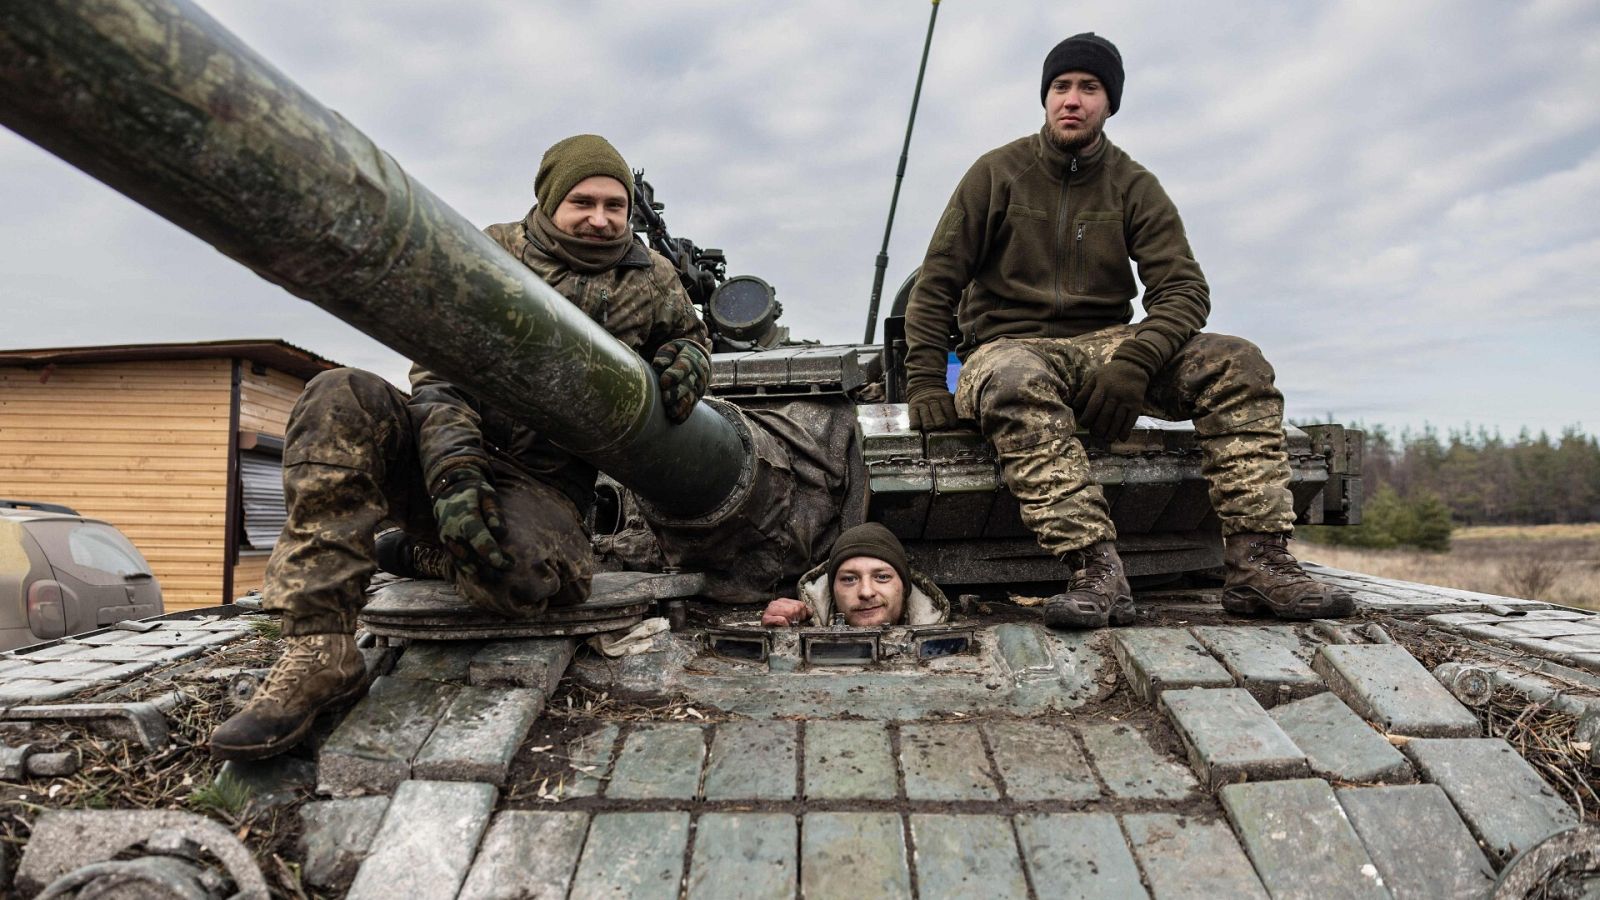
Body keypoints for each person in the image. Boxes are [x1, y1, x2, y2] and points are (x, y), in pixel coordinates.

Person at [211, 135, 711, 760]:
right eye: (583, 201)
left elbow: (691, 335)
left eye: (616, 205)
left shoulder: (654, 278)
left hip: (546, 481)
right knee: (339, 394)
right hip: (445, 439)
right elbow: (441, 372)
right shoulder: (491, 251)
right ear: (550, 198)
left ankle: (426, 553)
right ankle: (319, 647)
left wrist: (688, 355)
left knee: (529, 580)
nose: (600, 219)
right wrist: (452, 471)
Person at [901, 33, 1351, 630]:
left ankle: (1258, 563)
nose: (1072, 99)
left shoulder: (1133, 185)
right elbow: (937, 285)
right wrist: (926, 384)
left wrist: (1135, 361)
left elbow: (1185, 290)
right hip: (1006, 344)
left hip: (1107, 341)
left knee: (1238, 361)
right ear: (1045, 97)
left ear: (1108, 104)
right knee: (1013, 376)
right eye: (1061, 86)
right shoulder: (996, 174)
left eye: (1089, 88)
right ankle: (1096, 568)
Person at [762, 523, 949, 627]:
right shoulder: (801, 628)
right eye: (849, 579)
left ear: (905, 588)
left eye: (882, 577)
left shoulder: (947, 639)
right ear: (832, 592)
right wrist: (780, 633)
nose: (866, 592)